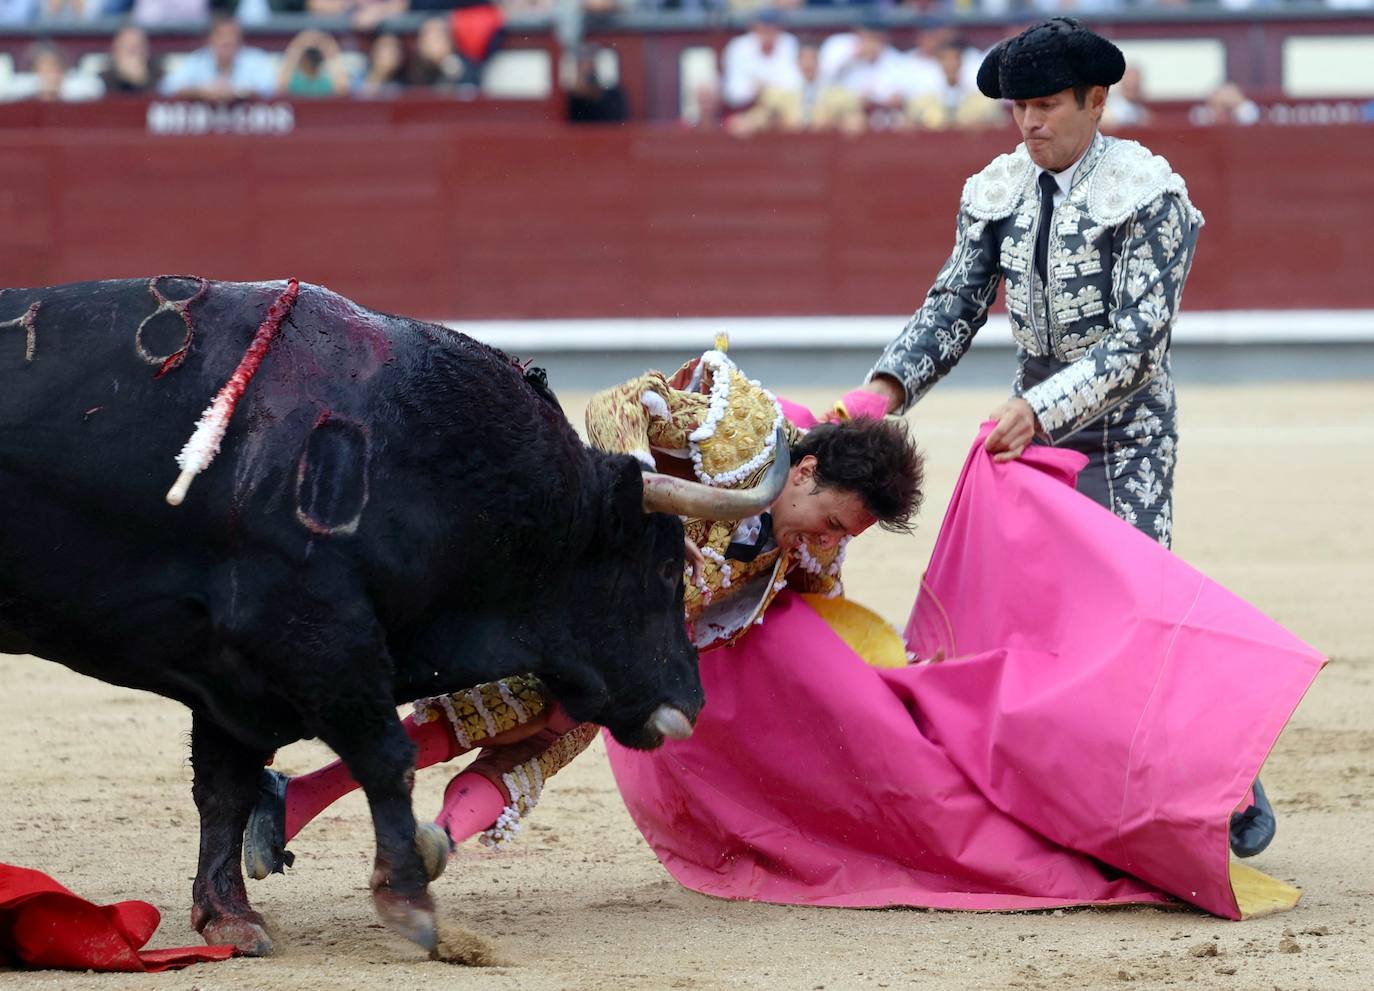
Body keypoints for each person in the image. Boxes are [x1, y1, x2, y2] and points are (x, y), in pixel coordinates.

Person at [828, 17, 1275, 859]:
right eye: (1016, 109)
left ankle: (1228, 780)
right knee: (1030, 616)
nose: (1028, 123)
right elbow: (954, 305)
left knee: (1134, 615)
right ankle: (1054, 794)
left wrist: (1041, 407)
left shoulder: (1149, 194)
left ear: (1095, 101)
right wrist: (881, 391)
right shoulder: (996, 189)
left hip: (1125, 433)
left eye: (1044, 107)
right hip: (1025, 436)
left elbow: (1140, 342)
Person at [241, 346, 925, 878]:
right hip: (564, 590)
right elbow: (616, 405)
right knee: (506, 710)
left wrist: (905, 676)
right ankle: (291, 791)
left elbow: (826, 636)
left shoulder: (799, 555)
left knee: (544, 741)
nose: (827, 542)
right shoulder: (742, 436)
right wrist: (641, 498)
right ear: (802, 474)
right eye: (831, 521)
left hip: (618, 656)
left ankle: (433, 842)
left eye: (843, 537)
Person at [157, 16, 277, 100]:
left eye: (232, 36)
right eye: (221, 36)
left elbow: (271, 87)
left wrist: (237, 92)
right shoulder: (198, 60)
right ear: (210, 40)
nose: (227, 41)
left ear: (240, 40)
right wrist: (201, 92)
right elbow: (167, 87)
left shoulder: (256, 59)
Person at [100, 24, 161, 95]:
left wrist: (142, 81)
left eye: (138, 46)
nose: (134, 53)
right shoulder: (101, 83)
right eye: (128, 47)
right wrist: (124, 78)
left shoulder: (161, 81)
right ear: (116, 50)